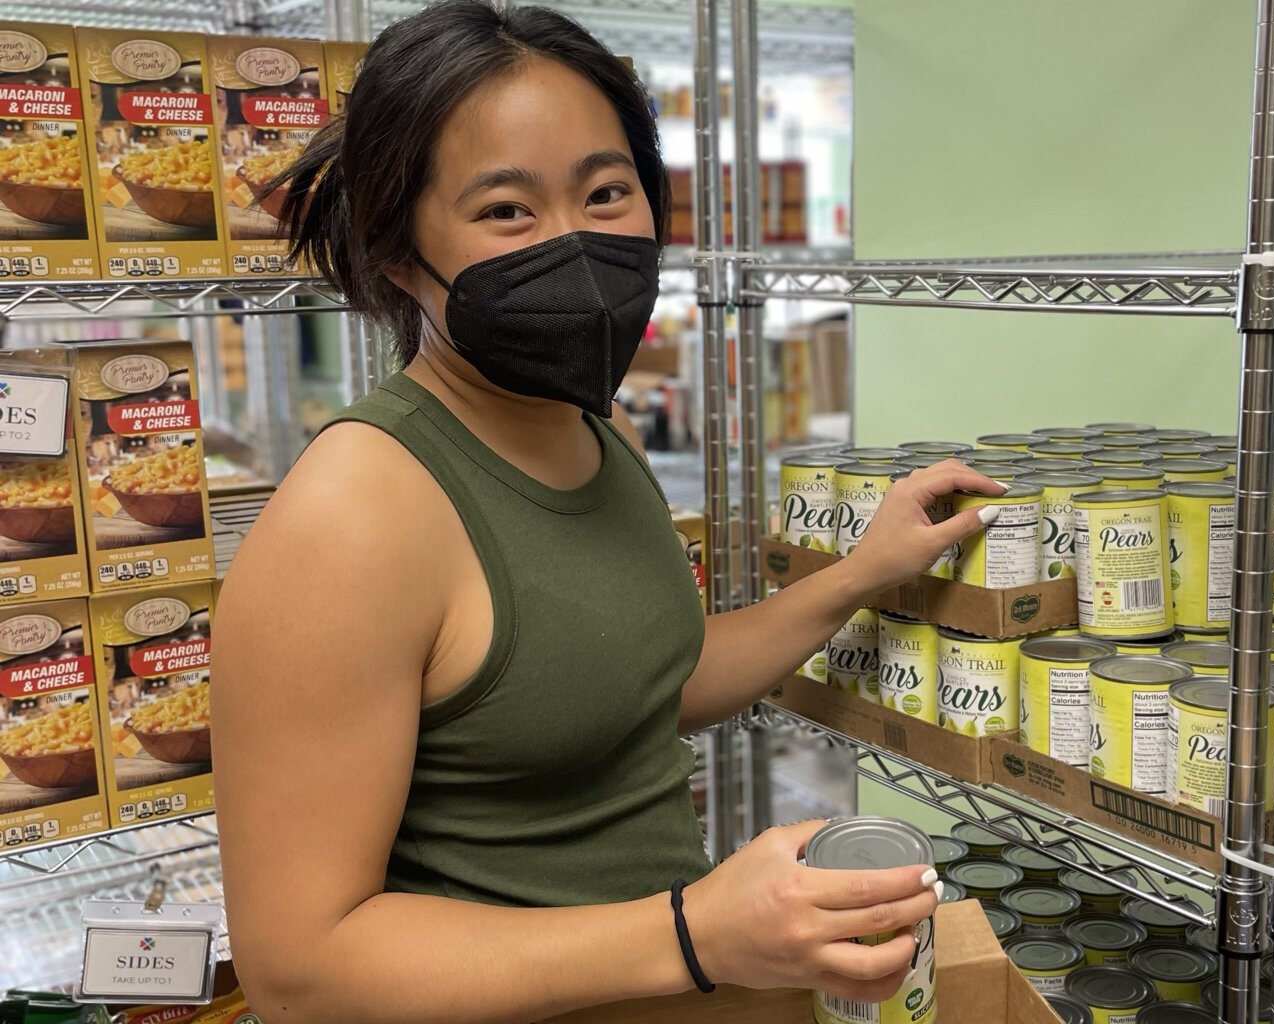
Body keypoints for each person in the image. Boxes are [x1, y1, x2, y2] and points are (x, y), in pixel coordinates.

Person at [211, 3, 1003, 1021]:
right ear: (400, 253)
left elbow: (640, 686)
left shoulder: (597, 428)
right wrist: (693, 931)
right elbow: (300, 971)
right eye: (508, 211)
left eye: (606, 191)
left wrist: (861, 571)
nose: (576, 246)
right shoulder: (353, 515)